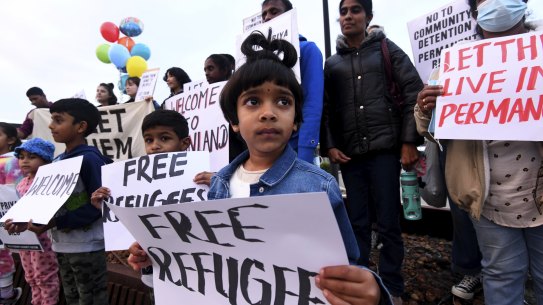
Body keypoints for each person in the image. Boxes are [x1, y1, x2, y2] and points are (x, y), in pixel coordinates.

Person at [129, 32, 393, 305]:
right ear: (234, 121)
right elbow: (206, 260)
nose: (269, 112)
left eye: (283, 101)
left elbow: (348, 267)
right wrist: (159, 255)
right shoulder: (219, 184)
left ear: (295, 122)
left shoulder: (319, 186)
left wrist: (371, 291)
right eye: (253, 101)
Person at [415, 1, 542, 304]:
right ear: (475, 14)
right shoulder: (453, 65)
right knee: (501, 274)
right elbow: (429, 129)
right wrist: (424, 107)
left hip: (539, 194)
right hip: (487, 200)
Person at [319, 0, 424, 303]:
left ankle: (392, 287)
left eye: (355, 10)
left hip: (384, 153)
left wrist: (408, 141)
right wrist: (331, 145)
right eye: (343, 12)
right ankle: (358, 280)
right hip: (350, 156)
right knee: (357, 223)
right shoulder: (332, 64)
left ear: (368, 16)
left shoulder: (388, 50)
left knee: (389, 222)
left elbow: (412, 93)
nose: (348, 16)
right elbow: (326, 110)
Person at [6, 98, 113, 305]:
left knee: (90, 299)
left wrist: (56, 222)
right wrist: (22, 222)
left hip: (87, 248)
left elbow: (100, 207)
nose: (50, 125)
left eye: (58, 120)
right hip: (62, 246)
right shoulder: (58, 162)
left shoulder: (90, 159)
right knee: (73, 298)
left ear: (80, 127)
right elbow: (44, 205)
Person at [261, 0, 324, 164]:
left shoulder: (307, 50)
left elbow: (312, 102)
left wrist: (305, 151)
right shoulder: (257, 59)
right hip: (264, 149)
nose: (267, 17)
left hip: (295, 149)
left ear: (290, 15)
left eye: (274, 12)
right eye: (264, 14)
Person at [8, 138, 60, 305]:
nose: (24, 161)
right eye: (22, 157)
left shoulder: (48, 182)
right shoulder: (21, 183)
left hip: (43, 239)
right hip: (24, 240)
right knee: (30, 275)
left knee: (45, 276)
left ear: (45, 160)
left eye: (31, 157)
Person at [194, 54, 247, 186]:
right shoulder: (203, 100)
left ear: (225, 70)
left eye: (210, 68)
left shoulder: (240, 93)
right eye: (205, 70)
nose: (207, 73)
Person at [0, 122, 23, 304]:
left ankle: (6, 294)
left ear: (11, 139)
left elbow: (14, 193)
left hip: (6, 220)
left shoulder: (12, 161)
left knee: (2, 253)